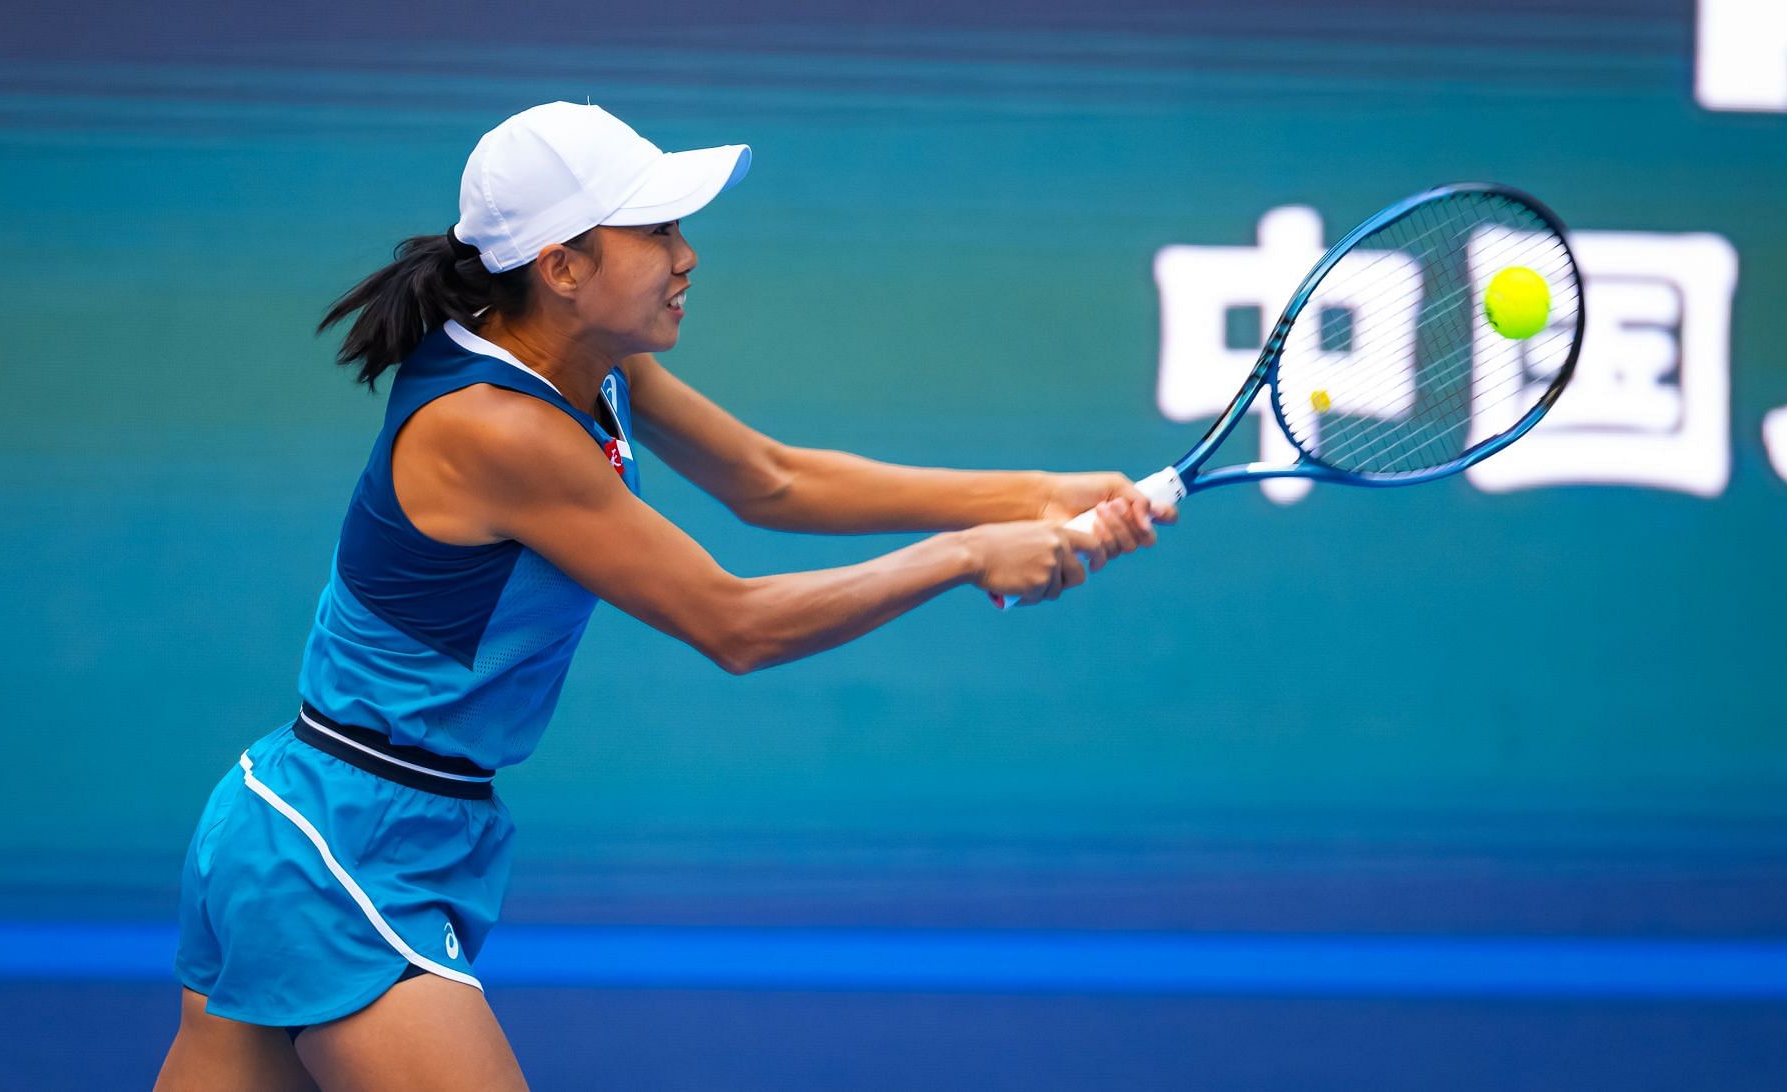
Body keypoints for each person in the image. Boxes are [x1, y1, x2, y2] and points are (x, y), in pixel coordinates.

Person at [152, 101, 1166, 1092]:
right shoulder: (502, 430)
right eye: (656, 231)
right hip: (336, 845)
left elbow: (773, 479)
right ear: (561, 267)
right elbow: (736, 625)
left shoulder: (586, 365)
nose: (686, 256)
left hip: (328, 821)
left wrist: (1039, 493)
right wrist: (962, 556)